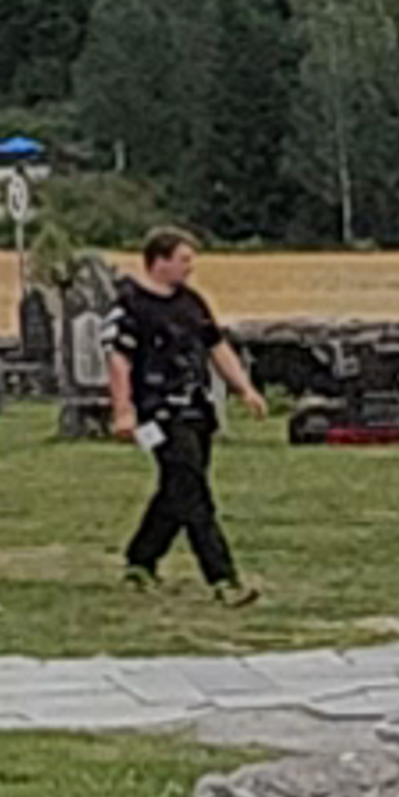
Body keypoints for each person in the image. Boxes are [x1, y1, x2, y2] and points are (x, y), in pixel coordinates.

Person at [109, 226, 266, 600]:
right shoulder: (131, 305)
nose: (190, 268)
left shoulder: (192, 302)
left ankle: (141, 559)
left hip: (196, 408)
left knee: (177, 488)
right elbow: (118, 360)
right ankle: (222, 579)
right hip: (157, 413)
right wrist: (123, 411)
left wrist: (244, 388)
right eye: (183, 260)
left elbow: (217, 347)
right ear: (159, 262)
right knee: (192, 491)